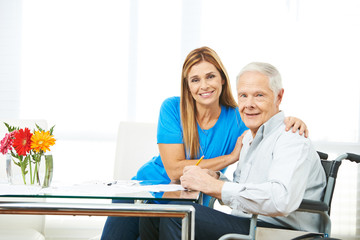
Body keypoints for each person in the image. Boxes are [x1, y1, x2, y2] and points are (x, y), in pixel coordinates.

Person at [101, 48, 308, 240]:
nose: (204, 86)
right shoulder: (173, 108)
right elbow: (174, 170)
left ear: (222, 80)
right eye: (195, 80)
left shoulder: (239, 117)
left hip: (188, 199)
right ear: (187, 86)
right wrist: (230, 158)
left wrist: (292, 120)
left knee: (172, 216)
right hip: (147, 188)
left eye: (210, 76)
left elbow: (266, 117)